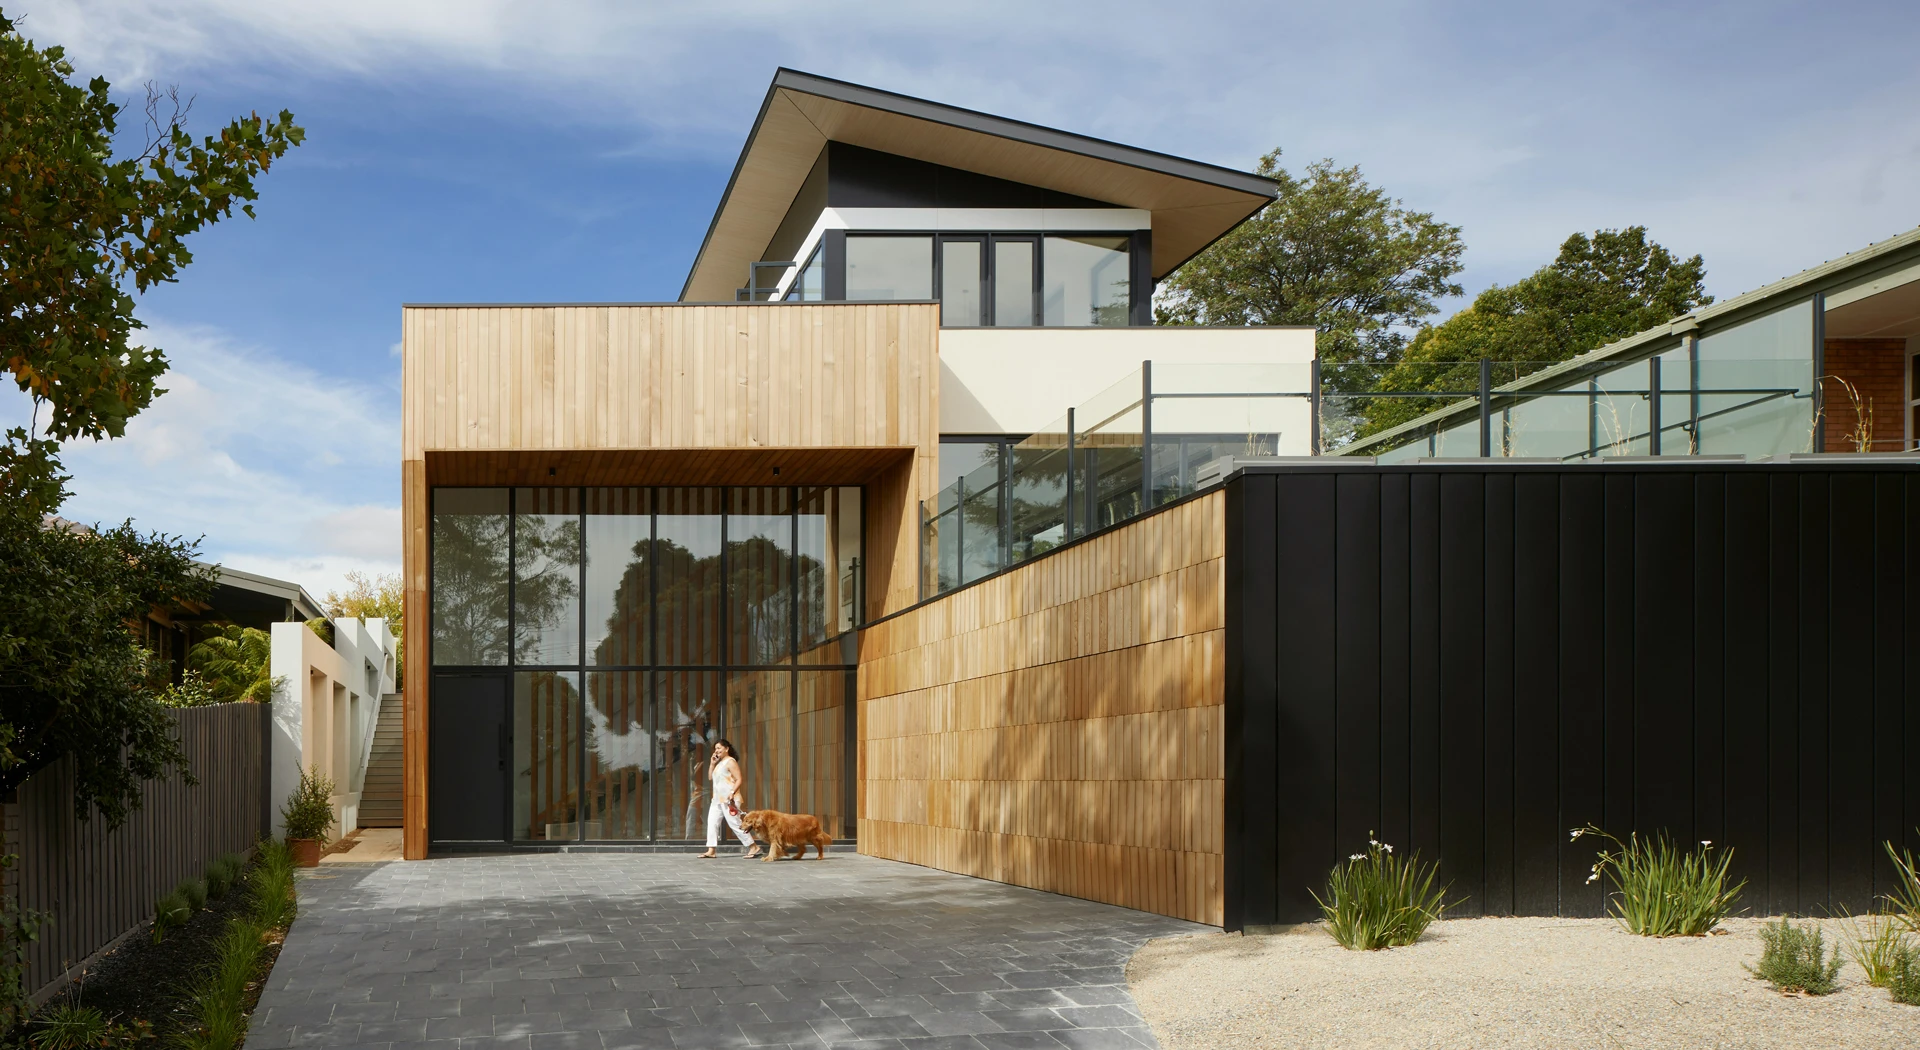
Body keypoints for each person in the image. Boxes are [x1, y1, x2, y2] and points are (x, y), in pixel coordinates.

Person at [698, 738, 760, 859]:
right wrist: (712, 764)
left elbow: (739, 779)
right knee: (712, 823)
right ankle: (711, 850)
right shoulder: (719, 763)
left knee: (735, 823)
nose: (716, 750)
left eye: (719, 748)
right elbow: (710, 777)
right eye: (715, 748)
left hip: (729, 799)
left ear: (726, 749)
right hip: (717, 799)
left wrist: (732, 792)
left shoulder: (730, 761)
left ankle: (753, 847)